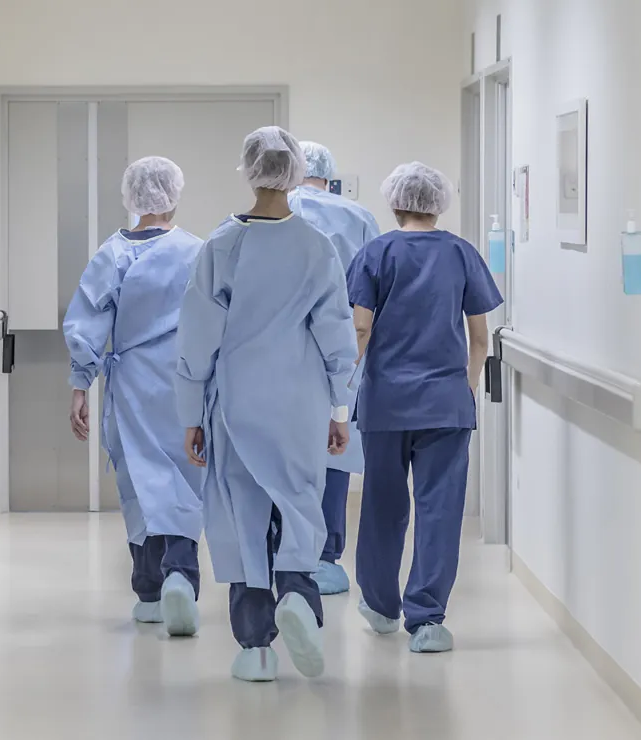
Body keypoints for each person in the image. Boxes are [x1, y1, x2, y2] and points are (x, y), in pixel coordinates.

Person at [174, 127, 356, 682]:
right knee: (299, 502)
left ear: (249, 171)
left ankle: (255, 649)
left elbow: (197, 340)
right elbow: (337, 336)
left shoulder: (221, 247)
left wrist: (190, 416)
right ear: (296, 172)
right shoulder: (317, 247)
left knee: (243, 516)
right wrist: (340, 409)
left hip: (237, 404)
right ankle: (297, 592)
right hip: (301, 403)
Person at [346, 162, 503, 654]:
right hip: (446, 404)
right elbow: (480, 339)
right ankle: (428, 619)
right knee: (440, 510)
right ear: (439, 204)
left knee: (382, 506)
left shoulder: (376, 253)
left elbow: (360, 329)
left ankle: (380, 606)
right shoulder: (461, 253)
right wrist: (465, 389)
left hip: (386, 403)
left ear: (395, 202)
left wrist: (341, 388)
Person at [63, 156, 205, 638]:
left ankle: (149, 591)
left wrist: (80, 384)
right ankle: (181, 573)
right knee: (184, 478)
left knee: (140, 482)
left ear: (131, 197)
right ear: (174, 194)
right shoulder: (197, 251)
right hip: (185, 382)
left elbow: (86, 325)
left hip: (131, 385)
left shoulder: (113, 254)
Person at [288, 141, 381, 596]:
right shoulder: (358, 217)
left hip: (278, 353)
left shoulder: (271, 214)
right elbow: (375, 293)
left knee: (279, 454)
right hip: (344, 351)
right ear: (330, 176)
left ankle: (283, 553)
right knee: (335, 445)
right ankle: (325, 558)